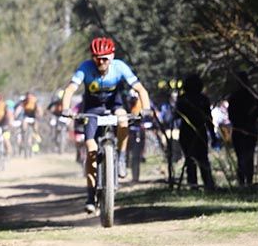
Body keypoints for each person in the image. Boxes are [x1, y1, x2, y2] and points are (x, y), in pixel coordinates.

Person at [59, 37, 153, 213]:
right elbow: (70, 89)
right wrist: (66, 108)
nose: (100, 62)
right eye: (96, 57)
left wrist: (146, 108)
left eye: (104, 58)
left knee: (123, 119)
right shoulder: (85, 67)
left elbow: (140, 89)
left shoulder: (119, 67)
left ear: (112, 56)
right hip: (92, 109)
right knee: (91, 150)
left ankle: (122, 156)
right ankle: (90, 195)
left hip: (113, 106)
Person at [176, 73, 216, 192]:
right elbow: (177, 115)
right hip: (189, 133)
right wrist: (212, 134)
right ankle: (197, 185)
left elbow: (208, 118)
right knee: (193, 160)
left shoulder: (199, 99)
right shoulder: (185, 99)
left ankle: (205, 185)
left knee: (199, 159)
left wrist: (213, 134)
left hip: (197, 133)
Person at [227, 72, 258, 186]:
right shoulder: (250, 96)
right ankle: (246, 181)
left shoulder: (242, 96)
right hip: (244, 129)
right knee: (246, 156)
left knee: (244, 156)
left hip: (244, 129)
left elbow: (231, 115)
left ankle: (245, 181)